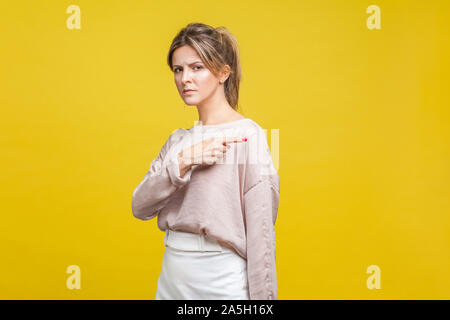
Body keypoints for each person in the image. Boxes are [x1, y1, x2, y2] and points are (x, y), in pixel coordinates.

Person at [131, 22, 280, 300]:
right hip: (173, 275)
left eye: (196, 67)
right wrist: (184, 162)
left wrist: (264, 302)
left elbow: (262, 234)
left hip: (221, 280)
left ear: (224, 72)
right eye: (178, 69)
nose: (185, 78)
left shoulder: (250, 136)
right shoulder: (178, 141)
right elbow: (139, 206)